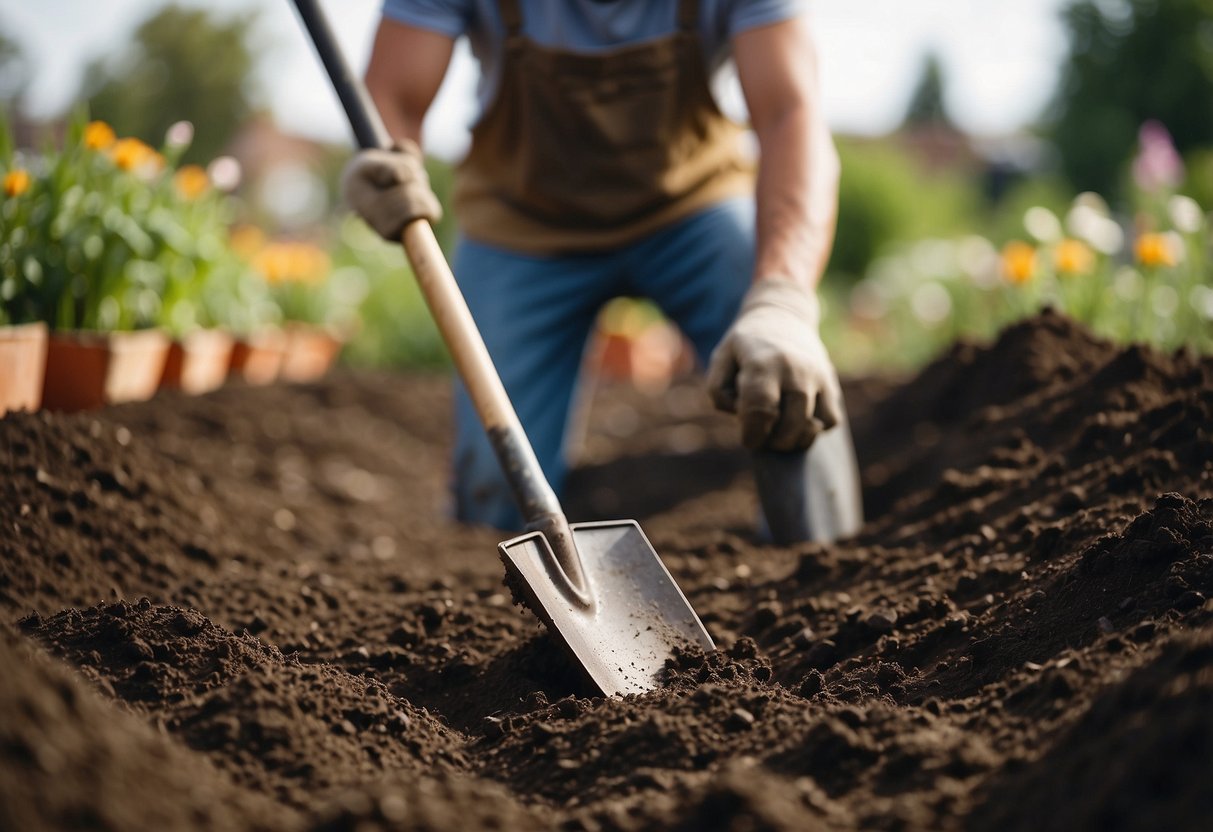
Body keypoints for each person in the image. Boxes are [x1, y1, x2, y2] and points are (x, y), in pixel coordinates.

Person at [344, 0, 844, 536]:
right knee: (496, 485)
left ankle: (821, 550)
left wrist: (781, 300)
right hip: (522, 225)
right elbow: (395, 96)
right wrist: (387, 163)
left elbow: (790, 113)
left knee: (785, 381)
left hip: (692, 208)